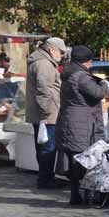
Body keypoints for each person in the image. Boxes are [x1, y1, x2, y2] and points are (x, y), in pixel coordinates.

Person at [56, 46, 108, 206]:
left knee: (74, 159)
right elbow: (98, 93)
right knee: (84, 160)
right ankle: (84, 195)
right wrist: (103, 83)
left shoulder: (68, 73)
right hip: (82, 124)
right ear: (86, 61)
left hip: (69, 120)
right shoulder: (82, 77)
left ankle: (75, 195)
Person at [26, 37, 66, 189]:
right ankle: (45, 180)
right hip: (48, 113)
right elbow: (44, 90)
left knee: (44, 147)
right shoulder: (44, 63)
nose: (62, 56)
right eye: (61, 52)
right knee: (48, 148)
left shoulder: (41, 61)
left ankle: (46, 178)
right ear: (52, 50)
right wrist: (47, 113)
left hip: (44, 112)